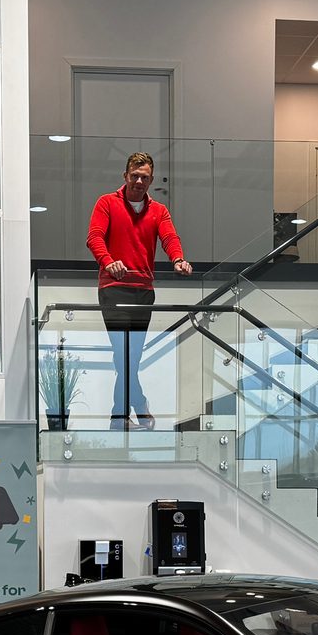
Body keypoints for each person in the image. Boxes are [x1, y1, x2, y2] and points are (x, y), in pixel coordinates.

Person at [85, 152, 192, 430]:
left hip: (144, 291)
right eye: (135, 176)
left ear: (151, 180)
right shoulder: (107, 202)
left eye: (145, 177)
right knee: (124, 355)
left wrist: (178, 259)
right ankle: (132, 410)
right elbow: (94, 237)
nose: (139, 181)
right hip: (113, 289)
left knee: (131, 357)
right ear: (125, 176)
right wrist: (109, 262)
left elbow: (169, 236)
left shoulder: (158, 210)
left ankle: (122, 416)